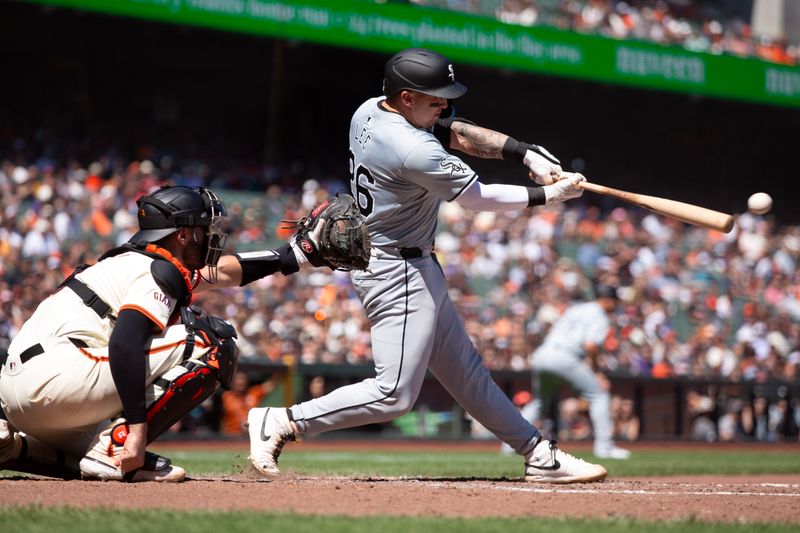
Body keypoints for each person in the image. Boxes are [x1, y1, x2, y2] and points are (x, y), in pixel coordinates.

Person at [248, 48, 608, 483]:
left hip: (414, 262)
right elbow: (476, 198)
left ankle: (538, 454)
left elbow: (455, 130)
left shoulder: (369, 110)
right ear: (405, 98)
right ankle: (283, 420)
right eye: (434, 97)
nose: (444, 105)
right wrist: (548, 196)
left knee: (468, 376)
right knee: (393, 394)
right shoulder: (410, 148)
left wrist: (523, 152)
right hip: (393, 269)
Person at [0, 185, 318, 482]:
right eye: (203, 229)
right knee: (213, 341)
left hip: (19, 394)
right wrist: (137, 428)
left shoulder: (128, 263)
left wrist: (294, 254)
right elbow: (125, 342)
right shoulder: (157, 269)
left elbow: (221, 271)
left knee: (91, 457)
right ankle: (116, 444)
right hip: (59, 380)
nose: (210, 236)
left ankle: (14, 447)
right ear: (182, 235)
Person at [524, 283, 632, 459]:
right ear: (607, 300)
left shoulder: (576, 309)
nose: (616, 305)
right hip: (565, 356)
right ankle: (605, 448)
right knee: (599, 395)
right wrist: (597, 371)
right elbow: (590, 345)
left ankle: (508, 446)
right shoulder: (600, 316)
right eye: (614, 301)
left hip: (543, 354)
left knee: (539, 402)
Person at [220, 371, 278, 436]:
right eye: (238, 380)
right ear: (233, 383)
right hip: (232, 436)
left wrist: (278, 369)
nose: (241, 382)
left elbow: (271, 384)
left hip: (251, 436)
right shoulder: (226, 397)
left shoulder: (254, 393)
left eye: (243, 380)